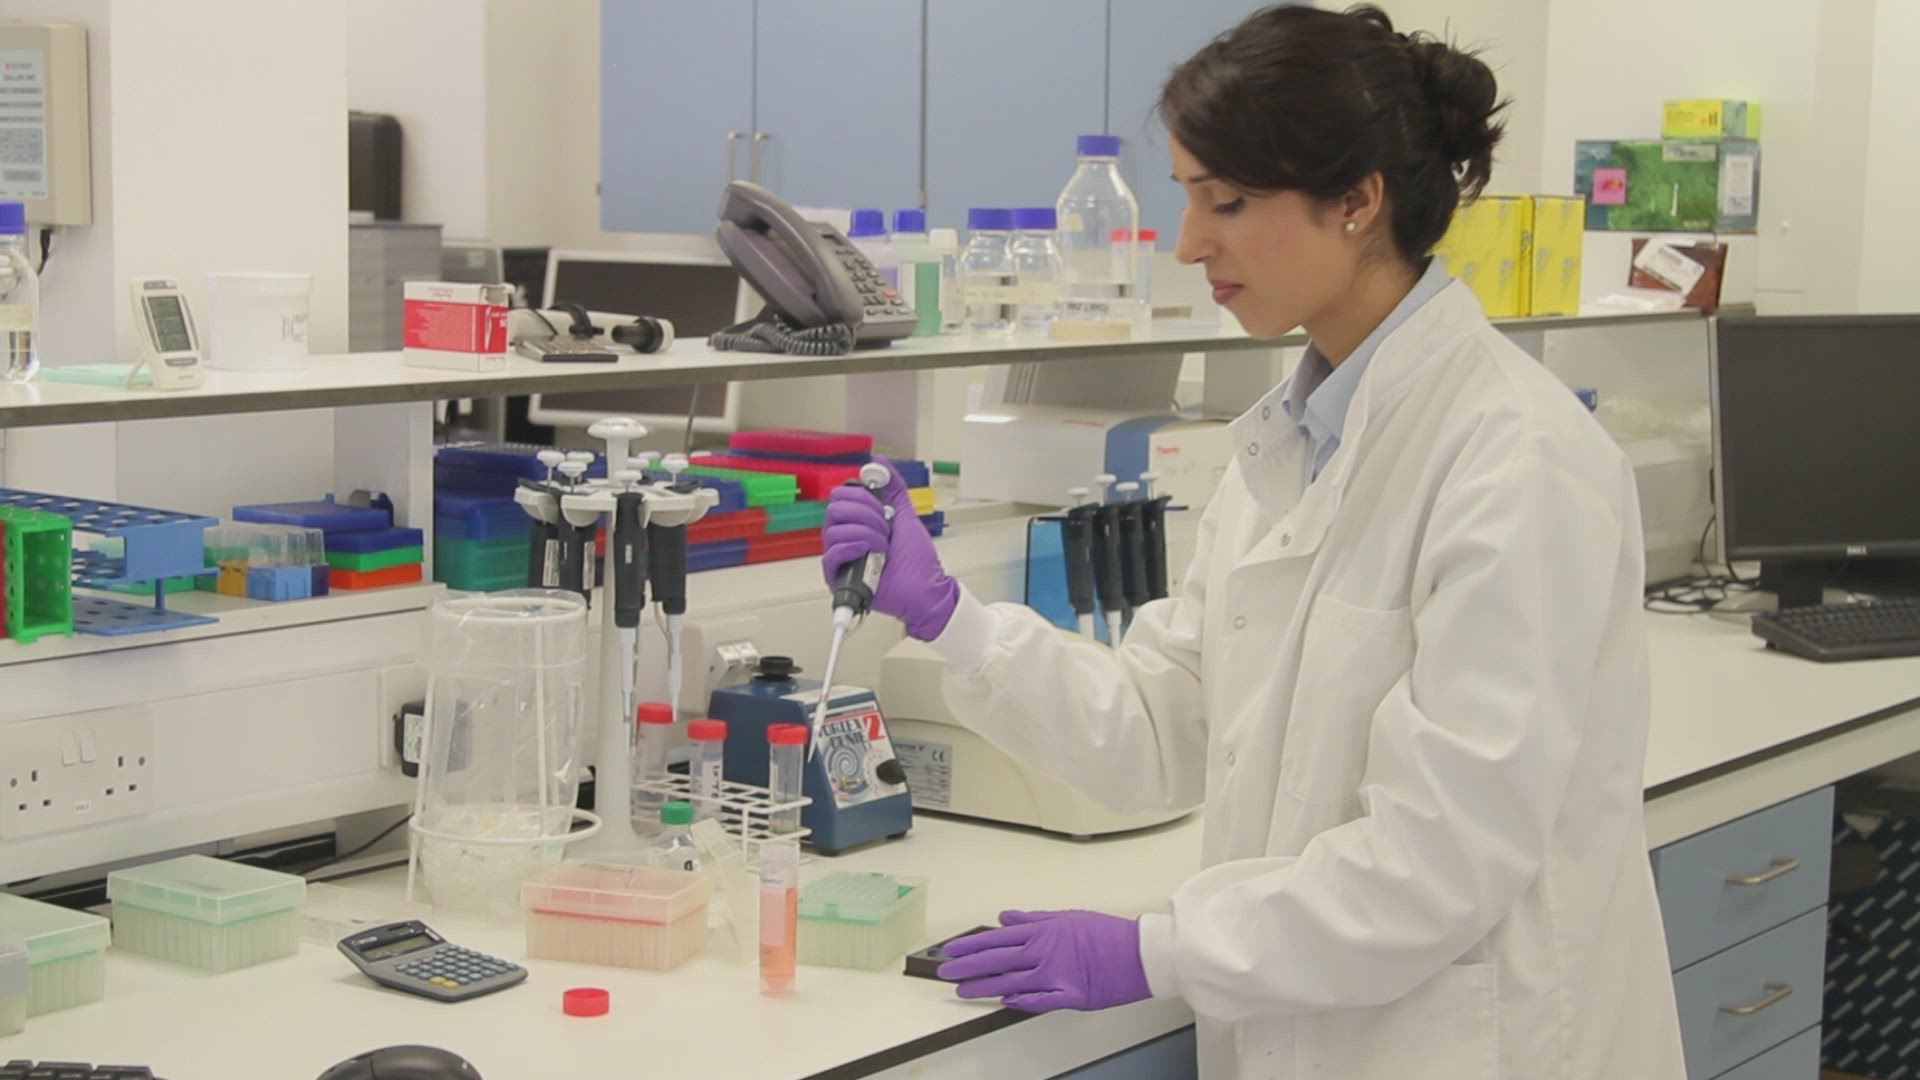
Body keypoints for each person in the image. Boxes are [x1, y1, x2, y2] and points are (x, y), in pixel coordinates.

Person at [822, 5, 1685, 1078]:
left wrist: (1159, 950)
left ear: (1357, 201)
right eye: (1189, 197)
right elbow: (1169, 723)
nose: (1190, 244)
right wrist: (951, 620)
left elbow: (1441, 859)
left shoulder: (1518, 458)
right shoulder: (1290, 444)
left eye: (1225, 201)